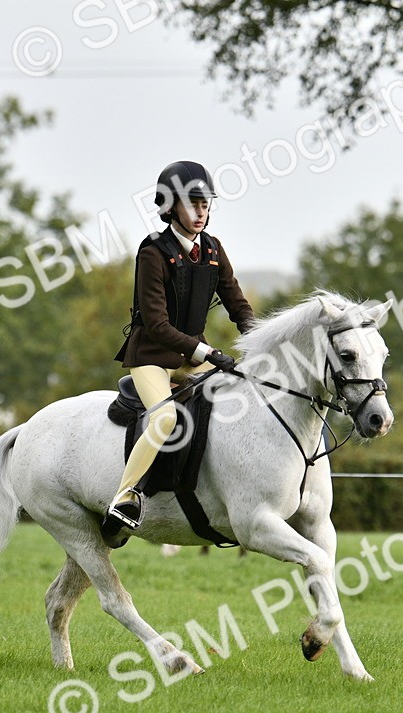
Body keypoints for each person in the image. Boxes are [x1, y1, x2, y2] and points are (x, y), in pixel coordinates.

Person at [105, 160, 256, 532]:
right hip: (152, 356)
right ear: (170, 207)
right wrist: (209, 354)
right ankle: (124, 497)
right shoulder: (152, 252)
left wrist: (260, 340)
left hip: (191, 355)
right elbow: (156, 325)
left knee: (242, 395)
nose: (201, 212)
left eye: (205, 205)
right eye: (193, 204)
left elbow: (237, 304)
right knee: (166, 418)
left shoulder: (213, 249)